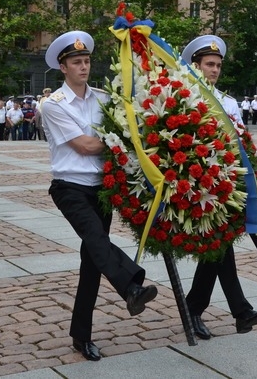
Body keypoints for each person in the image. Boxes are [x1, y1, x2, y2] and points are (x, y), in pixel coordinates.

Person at [41, 30, 157, 361]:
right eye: (76, 62)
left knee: (93, 263)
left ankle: (82, 336)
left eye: (87, 61)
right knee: (96, 240)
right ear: (63, 67)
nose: (83, 67)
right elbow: (86, 145)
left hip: (101, 188)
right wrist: (121, 138)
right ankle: (131, 286)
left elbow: (129, 123)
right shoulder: (54, 105)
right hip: (69, 187)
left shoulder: (104, 98)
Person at [179, 35, 257, 340]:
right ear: (196, 66)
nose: (214, 70)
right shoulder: (186, 100)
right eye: (209, 64)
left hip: (227, 188)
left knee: (217, 248)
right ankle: (238, 310)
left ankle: (198, 309)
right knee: (217, 246)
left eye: (217, 65)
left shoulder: (229, 103)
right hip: (198, 187)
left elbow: (242, 141)